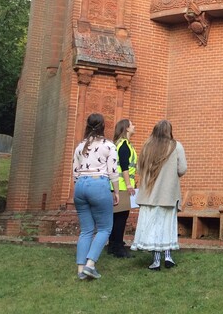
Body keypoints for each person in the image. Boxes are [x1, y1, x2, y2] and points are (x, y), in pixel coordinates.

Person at [131, 120, 187, 270]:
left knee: (153, 226)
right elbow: (182, 169)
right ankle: (168, 257)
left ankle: (155, 260)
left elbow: (138, 168)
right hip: (167, 194)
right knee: (167, 225)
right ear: (169, 131)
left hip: (149, 194)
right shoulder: (176, 146)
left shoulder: (147, 146)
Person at [73, 113, 120, 280]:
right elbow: (113, 172)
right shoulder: (108, 145)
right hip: (98, 184)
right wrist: (115, 192)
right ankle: (90, 265)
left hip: (80, 186)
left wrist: (78, 188)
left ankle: (80, 269)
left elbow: (75, 171)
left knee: (86, 230)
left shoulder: (80, 146)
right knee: (104, 228)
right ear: (103, 127)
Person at [108, 118, 137, 258]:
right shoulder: (124, 145)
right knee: (121, 217)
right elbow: (125, 166)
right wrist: (129, 184)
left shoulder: (117, 143)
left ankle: (113, 244)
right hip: (122, 186)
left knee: (115, 217)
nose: (134, 126)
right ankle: (118, 247)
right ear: (126, 128)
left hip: (115, 186)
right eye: (132, 125)